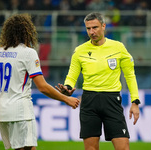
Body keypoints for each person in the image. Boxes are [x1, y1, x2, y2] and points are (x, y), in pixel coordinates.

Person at [0, 13, 80, 150]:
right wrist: (66, 99)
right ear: (27, 31)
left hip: (3, 111)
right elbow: (43, 87)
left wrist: (3, 99)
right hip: (21, 112)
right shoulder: (28, 53)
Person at [55, 12, 140, 150]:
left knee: (123, 147)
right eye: (88, 28)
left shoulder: (118, 48)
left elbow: (130, 75)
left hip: (112, 100)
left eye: (95, 27)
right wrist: (67, 87)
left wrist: (135, 101)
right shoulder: (79, 51)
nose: (91, 32)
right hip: (89, 101)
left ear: (104, 26)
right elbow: (71, 76)